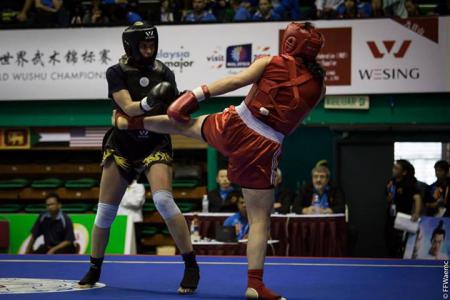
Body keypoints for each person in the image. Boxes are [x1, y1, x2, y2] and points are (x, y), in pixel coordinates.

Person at [114, 21, 325, 300]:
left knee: (182, 125)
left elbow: (235, 81)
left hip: (236, 125)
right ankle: (255, 285)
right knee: (260, 220)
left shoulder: (272, 61)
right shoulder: (320, 86)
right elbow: (293, 124)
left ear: (290, 42)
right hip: (266, 146)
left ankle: (129, 123)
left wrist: (194, 94)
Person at [77, 22, 200, 295]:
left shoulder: (164, 72)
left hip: (153, 142)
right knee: (105, 212)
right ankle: (95, 266)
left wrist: (181, 105)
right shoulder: (116, 72)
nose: (149, 49)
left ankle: (191, 265)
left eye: (152, 44)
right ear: (130, 47)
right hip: (121, 146)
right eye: (143, 45)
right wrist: (147, 103)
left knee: (163, 200)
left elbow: (169, 116)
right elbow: (129, 107)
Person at [385, 159, 422, 258]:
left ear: (404, 172)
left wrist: (416, 213)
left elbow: (417, 198)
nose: (393, 170)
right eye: (394, 167)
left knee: (402, 245)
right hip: (391, 217)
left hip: (404, 218)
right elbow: (388, 197)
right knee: (390, 243)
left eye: (397, 168)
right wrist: (389, 196)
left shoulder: (409, 184)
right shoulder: (390, 182)